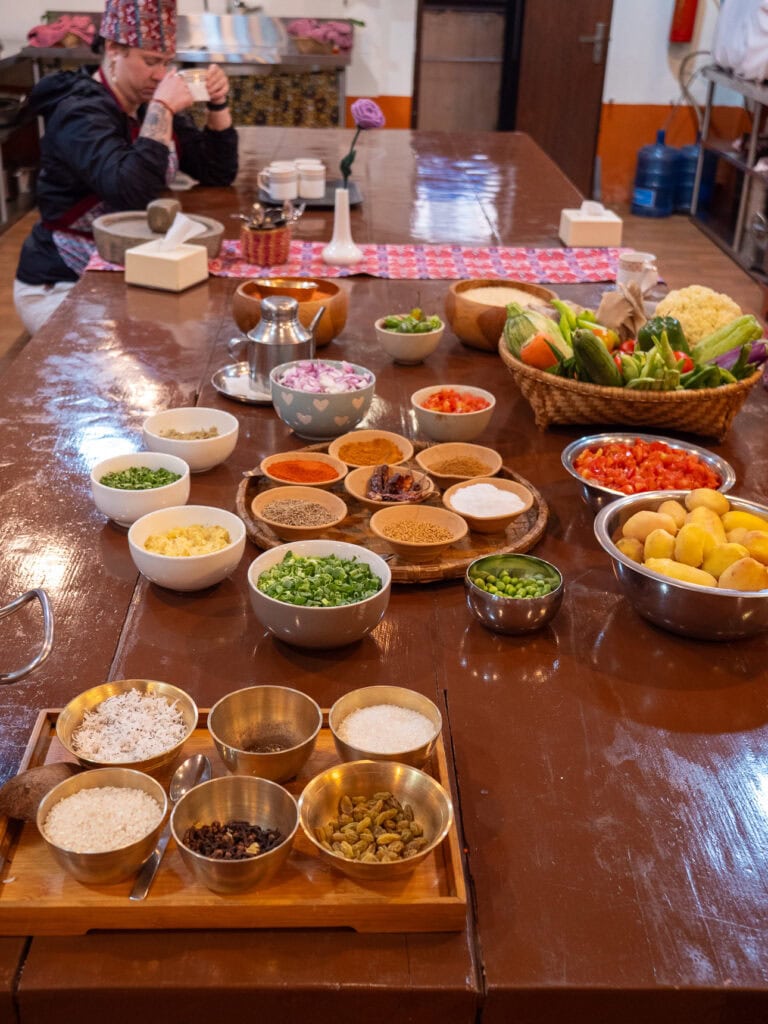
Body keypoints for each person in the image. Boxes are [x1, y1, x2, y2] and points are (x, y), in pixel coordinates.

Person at [14, 0, 239, 336]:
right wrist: (163, 107)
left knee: (206, 332)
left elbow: (217, 172)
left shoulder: (147, 103)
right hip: (62, 282)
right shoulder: (80, 112)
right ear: (113, 50)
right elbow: (130, 192)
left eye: (166, 62)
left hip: (127, 268)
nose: (160, 75)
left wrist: (218, 104)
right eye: (150, 61)